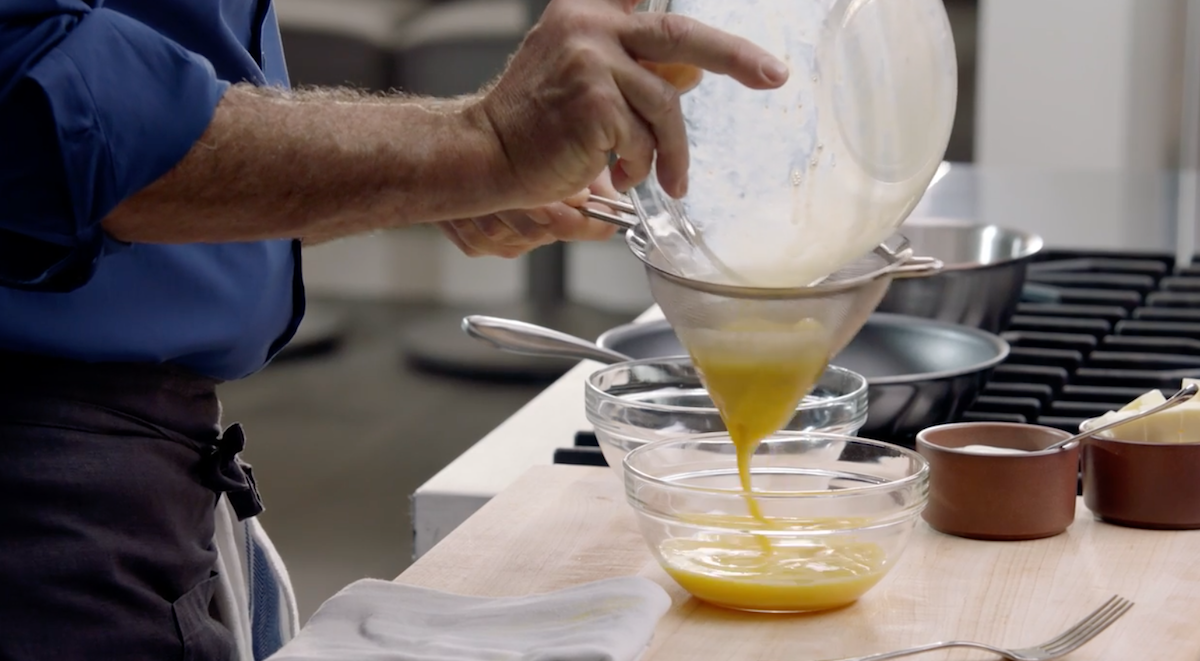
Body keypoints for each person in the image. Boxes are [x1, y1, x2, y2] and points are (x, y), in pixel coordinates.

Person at [0, 0, 788, 657]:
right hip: (45, 512)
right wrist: (482, 143)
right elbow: (38, 116)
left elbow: (171, 100)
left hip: (171, 485)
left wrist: (439, 170)